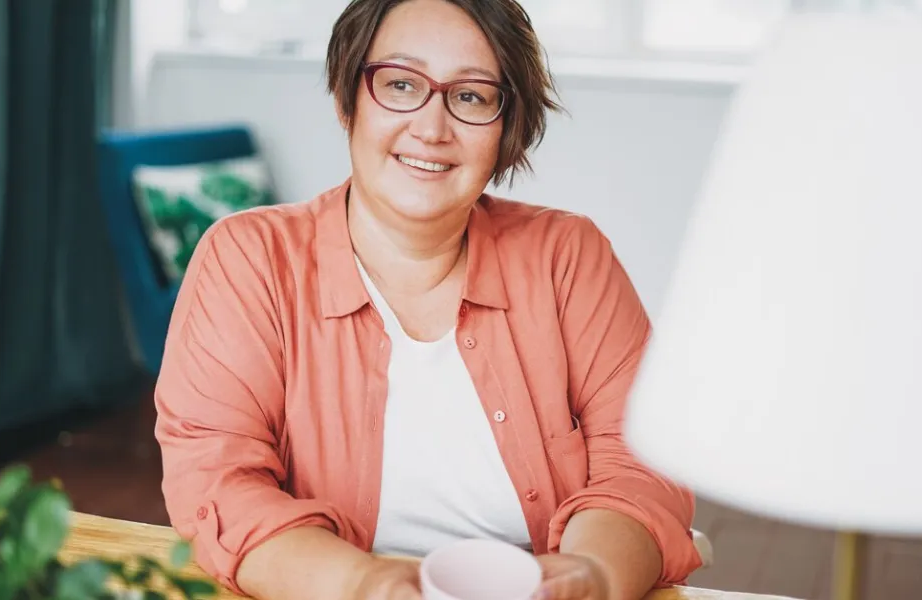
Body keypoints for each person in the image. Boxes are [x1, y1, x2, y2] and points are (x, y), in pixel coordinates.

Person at [154, 0, 703, 598]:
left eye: (471, 96)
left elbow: (643, 461)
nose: (432, 128)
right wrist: (365, 585)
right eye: (400, 84)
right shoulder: (249, 259)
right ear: (347, 100)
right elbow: (215, 482)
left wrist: (593, 574)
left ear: (506, 127)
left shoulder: (567, 255)